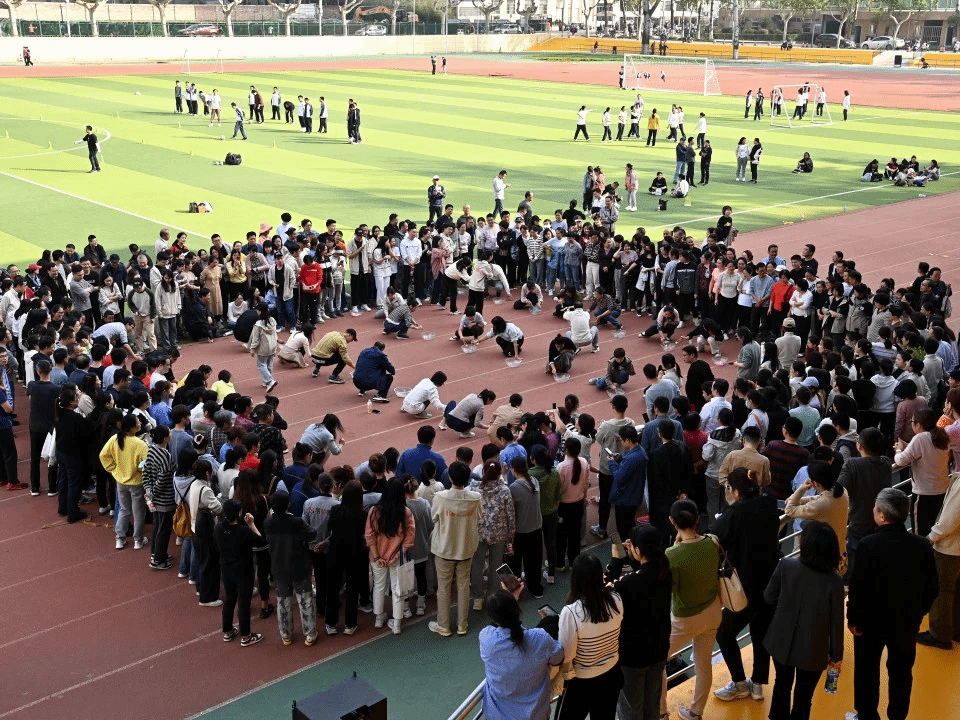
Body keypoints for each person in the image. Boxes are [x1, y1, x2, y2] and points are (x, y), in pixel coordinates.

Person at [845, 488, 938, 720]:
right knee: (901, 673)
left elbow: (858, 588)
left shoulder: (867, 545)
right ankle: (897, 716)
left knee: (866, 671)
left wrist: (853, 619)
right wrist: (919, 613)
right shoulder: (922, 545)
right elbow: (932, 587)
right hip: (906, 622)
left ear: (882, 515)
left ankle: (867, 715)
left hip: (870, 623)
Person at [712, 468, 781, 703]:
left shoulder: (735, 513)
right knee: (761, 633)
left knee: (724, 633)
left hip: (745, 586)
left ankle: (740, 683)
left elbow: (717, 536)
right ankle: (758, 684)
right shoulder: (769, 503)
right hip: (771, 582)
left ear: (734, 491)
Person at [764, 521, 845, 720]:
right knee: (804, 697)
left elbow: (768, 596)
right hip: (813, 649)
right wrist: (836, 655)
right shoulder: (834, 582)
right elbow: (836, 624)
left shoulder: (786, 565)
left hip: (782, 641)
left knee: (781, 687)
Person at [660, 499, 721, 720]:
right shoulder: (712, 542)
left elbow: (672, 588)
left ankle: (661, 713)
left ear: (672, 521)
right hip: (713, 612)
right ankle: (695, 712)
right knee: (703, 665)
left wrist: (676, 546)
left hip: (685, 619)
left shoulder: (671, 554)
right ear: (697, 519)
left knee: (658, 661)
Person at [607, 523, 672, 720]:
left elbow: (604, 590)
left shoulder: (628, 584)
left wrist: (616, 562)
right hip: (659, 649)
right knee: (652, 703)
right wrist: (635, 557)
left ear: (637, 549)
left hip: (632, 657)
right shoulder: (665, 571)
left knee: (630, 707)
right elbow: (645, 572)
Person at [556, 553, 623, 720]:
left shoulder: (570, 613)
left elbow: (567, 654)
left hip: (582, 681)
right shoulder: (616, 600)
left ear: (576, 579)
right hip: (612, 673)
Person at [479, 589, 564, 720]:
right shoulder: (540, 638)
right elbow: (558, 658)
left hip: (497, 715)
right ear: (517, 610)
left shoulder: (486, 637)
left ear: (492, 616)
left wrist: (507, 600)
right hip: (536, 715)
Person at [429, 461, 481, 637]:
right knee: (464, 587)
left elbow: (434, 518)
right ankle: (462, 625)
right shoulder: (475, 498)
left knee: (444, 588)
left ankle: (444, 625)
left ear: (450, 478)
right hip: (465, 548)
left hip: (444, 548)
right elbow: (479, 517)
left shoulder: (440, 497)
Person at [265, 490, 318, 646]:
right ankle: (310, 633)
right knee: (305, 600)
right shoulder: (296, 522)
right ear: (288, 504)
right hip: (299, 566)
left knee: (283, 602)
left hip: (279, 568)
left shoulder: (268, 523)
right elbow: (312, 534)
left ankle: (286, 635)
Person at [365, 478, 415, 635]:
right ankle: (397, 623)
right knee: (398, 588)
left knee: (378, 586)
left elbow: (369, 535)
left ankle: (379, 618)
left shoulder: (374, 511)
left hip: (377, 557)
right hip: (397, 558)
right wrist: (397, 555)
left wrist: (377, 556)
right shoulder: (405, 512)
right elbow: (409, 539)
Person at [918, 468, 960, 649]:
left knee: (942, 591)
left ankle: (940, 635)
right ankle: (955, 629)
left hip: (950, 547)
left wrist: (931, 538)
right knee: (956, 589)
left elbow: (949, 520)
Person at [893, 407, 951, 536]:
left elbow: (901, 461)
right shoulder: (942, 435)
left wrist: (898, 450)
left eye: (912, 422)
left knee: (919, 533)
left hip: (924, 494)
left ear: (918, 424)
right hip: (942, 490)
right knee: (935, 529)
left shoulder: (920, 438)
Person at [785, 460, 849, 571]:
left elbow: (789, 510)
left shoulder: (820, 505)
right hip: (841, 556)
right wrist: (800, 500)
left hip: (826, 560)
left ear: (815, 483)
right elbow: (818, 498)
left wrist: (802, 489)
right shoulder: (842, 491)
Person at [216, 499, 263, 647]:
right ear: (239, 514)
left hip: (226, 569)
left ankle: (227, 631)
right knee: (243, 603)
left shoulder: (218, 529)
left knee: (229, 600)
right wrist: (251, 524)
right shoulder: (243, 531)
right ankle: (246, 635)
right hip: (244, 571)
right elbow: (261, 541)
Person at [470, 460, 516, 609]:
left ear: (483, 472)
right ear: (499, 474)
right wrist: (510, 537)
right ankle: (492, 596)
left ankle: (477, 598)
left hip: (479, 533)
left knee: (477, 566)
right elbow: (510, 515)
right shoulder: (505, 490)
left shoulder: (474, 489)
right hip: (499, 534)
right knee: (496, 565)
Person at [99, 414, 149, 551]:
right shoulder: (140, 444)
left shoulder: (115, 439)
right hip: (137, 483)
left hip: (120, 481)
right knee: (138, 513)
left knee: (124, 510)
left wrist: (113, 469)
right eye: (138, 422)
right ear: (132, 427)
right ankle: (138, 540)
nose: (140, 423)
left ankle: (120, 539)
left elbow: (103, 455)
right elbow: (145, 466)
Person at [324, 480, 367, 635]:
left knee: (333, 587)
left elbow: (329, 527)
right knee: (352, 588)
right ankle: (350, 624)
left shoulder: (335, 510)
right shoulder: (362, 514)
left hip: (335, 551)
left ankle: (331, 623)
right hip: (354, 552)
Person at [245, 302, 278, 392]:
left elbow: (255, 339)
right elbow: (275, 334)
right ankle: (267, 383)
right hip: (272, 346)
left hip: (263, 347)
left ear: (259, 311)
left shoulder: (258, 324)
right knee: (269, 364)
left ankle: (269, 381)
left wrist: (252, 349)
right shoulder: (272, 321)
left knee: (261, 365)